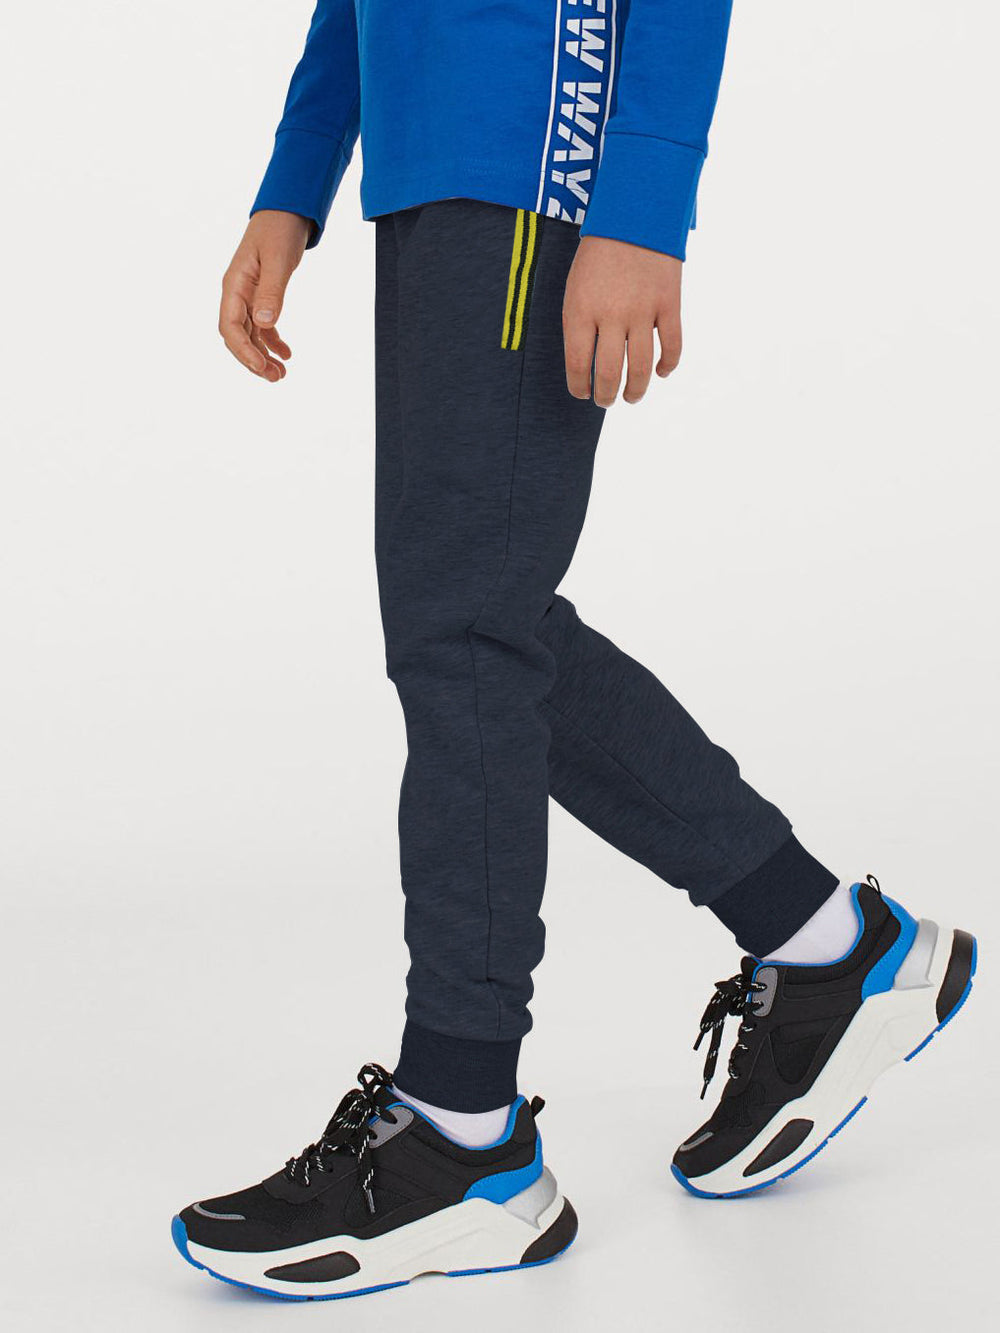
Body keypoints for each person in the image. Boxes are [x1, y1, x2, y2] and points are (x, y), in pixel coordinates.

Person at [171, 0, 977, 1302]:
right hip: (428, 163)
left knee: (468, 631)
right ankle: (829, 945)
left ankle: (464, 1129)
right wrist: (295, 176)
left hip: (533, 148)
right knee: (473, 623)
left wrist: (641, 200)